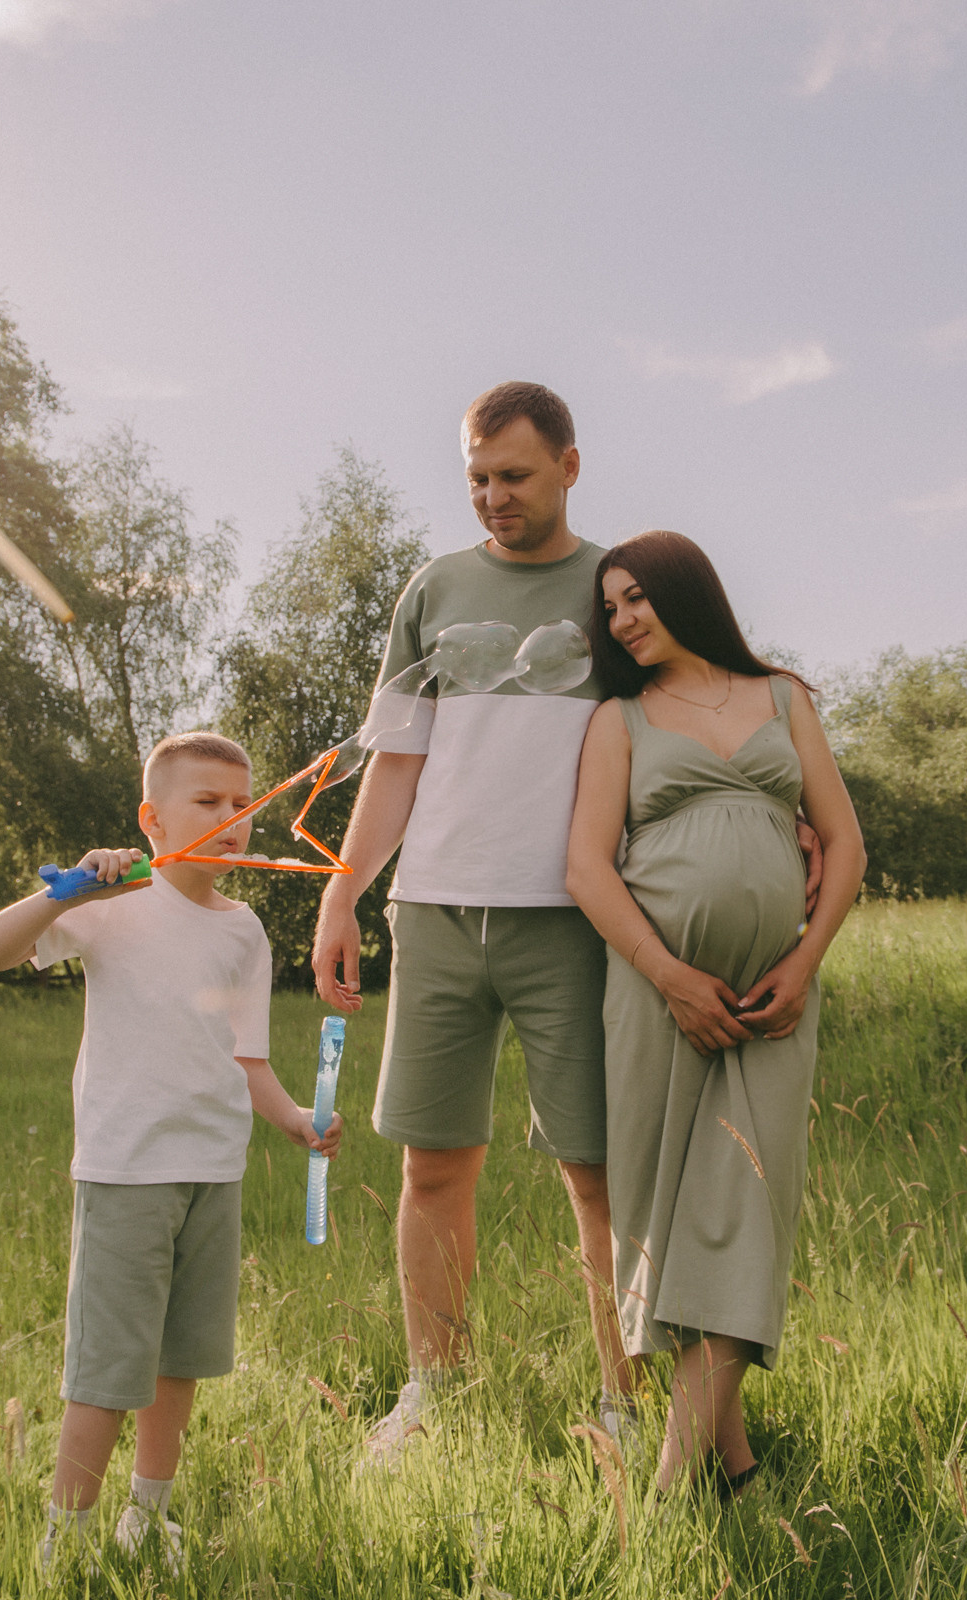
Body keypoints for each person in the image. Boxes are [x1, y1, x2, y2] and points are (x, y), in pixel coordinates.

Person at [311, 381, 639, 1465]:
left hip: (575, 920)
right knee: (432, 1166)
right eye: (477, 477)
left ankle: (625, 1404)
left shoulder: (619, 586)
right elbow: (398, 755)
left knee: (596, 1174)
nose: (493, 496)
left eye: (516, 475)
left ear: (570, 467)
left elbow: (691, 715)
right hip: (438, 911)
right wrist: (344, 888)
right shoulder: (434, 588)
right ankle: (432, 1396)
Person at [0, 731, 344, 1570]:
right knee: (108, 1369)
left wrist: (291, 1120)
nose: (230, 819)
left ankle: (149, 1516)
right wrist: (64, 893)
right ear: (152, 817)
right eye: (206, 802)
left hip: (215, 1172)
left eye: (242, 805)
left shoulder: (245, 931)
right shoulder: (113, 901)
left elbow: (246, 1058)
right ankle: (65, 1541)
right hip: (128, 1169)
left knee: (181, 1363)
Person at [564, 530, 866, 1499]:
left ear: (687, 593)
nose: (623, 619)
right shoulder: (618, 718)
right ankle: (734, 1473)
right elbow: (585, 868)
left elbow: (849, 846)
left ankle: (662, 1494)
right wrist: (668, 974)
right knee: (660, 1224)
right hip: (659, 997)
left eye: (637, 597)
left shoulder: (783, 696)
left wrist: (806, 959)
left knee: (750, 1215)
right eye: (610, 608)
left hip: (774, 998)